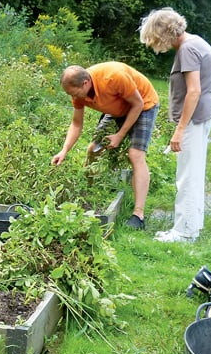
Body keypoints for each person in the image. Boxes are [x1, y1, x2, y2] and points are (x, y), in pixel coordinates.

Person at [139, 7, 211, 243]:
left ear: (163, 33)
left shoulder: (187, 49)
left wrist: (180, 129)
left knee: (187, 176)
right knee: (193, 173)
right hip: (202, 116)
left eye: (153, 38)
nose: (154, 44)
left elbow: (194, 91)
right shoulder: (194, 42)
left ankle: (183, 233)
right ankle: (191, 226)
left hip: (194, 119)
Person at [52, 62, 160, 230]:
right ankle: (87, 192)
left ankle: (138, 215)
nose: (73, 97)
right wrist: (64, 150)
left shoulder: (113, 77)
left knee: (135, 154)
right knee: (93, 149)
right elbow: (76, 123)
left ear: (85, 83)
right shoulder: (77, 91)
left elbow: (137, 104)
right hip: (117, 108)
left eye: (74, 93)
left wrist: (120, 135)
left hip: (143, 104)